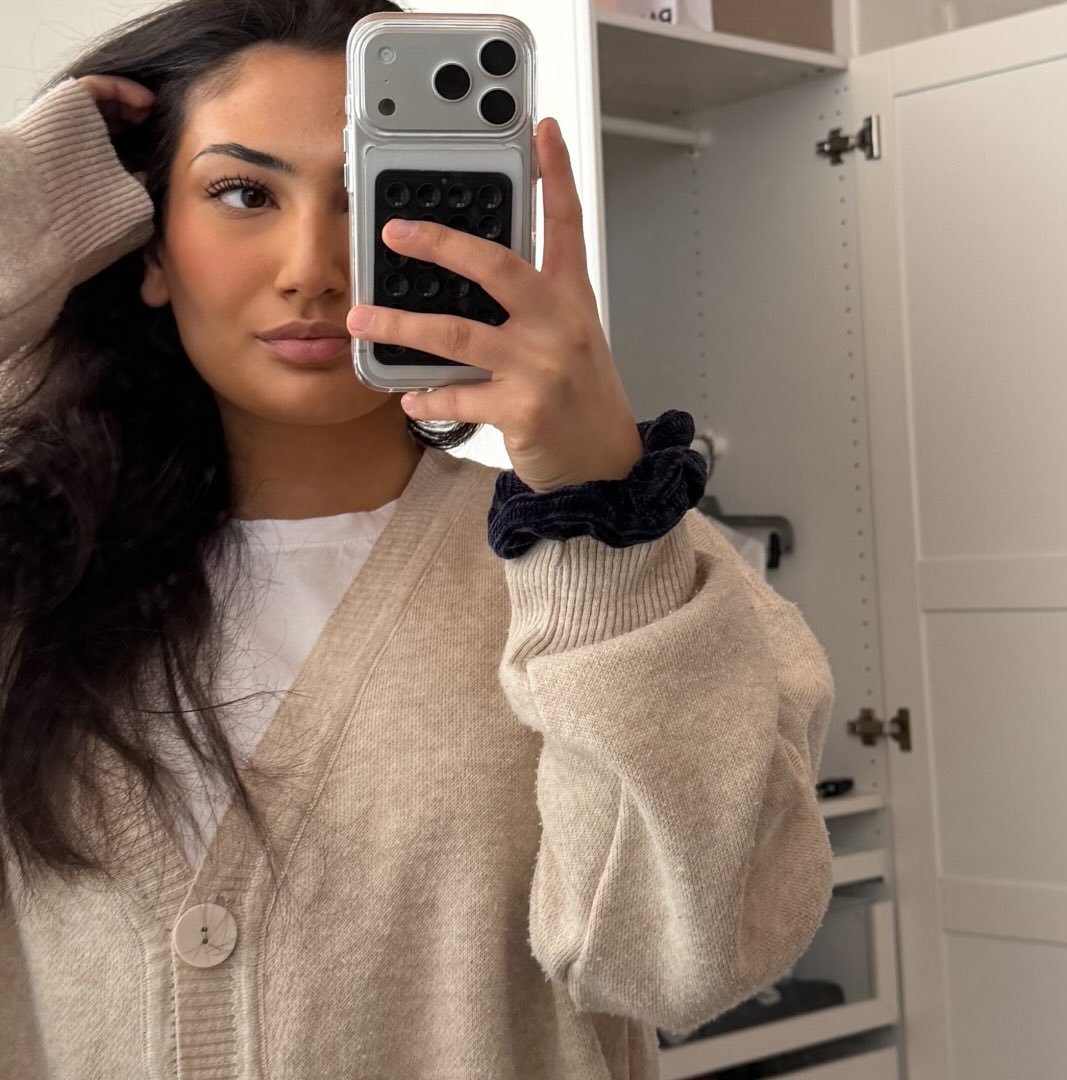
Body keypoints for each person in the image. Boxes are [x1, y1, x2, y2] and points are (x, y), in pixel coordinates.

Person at [0, 0, 837, 1076]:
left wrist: (597, 508)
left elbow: (683, 968)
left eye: (372, 194)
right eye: (244, 193)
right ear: (147, 246)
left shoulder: (647, 583)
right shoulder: (35, 565)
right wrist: (24, 211)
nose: (312, 266)